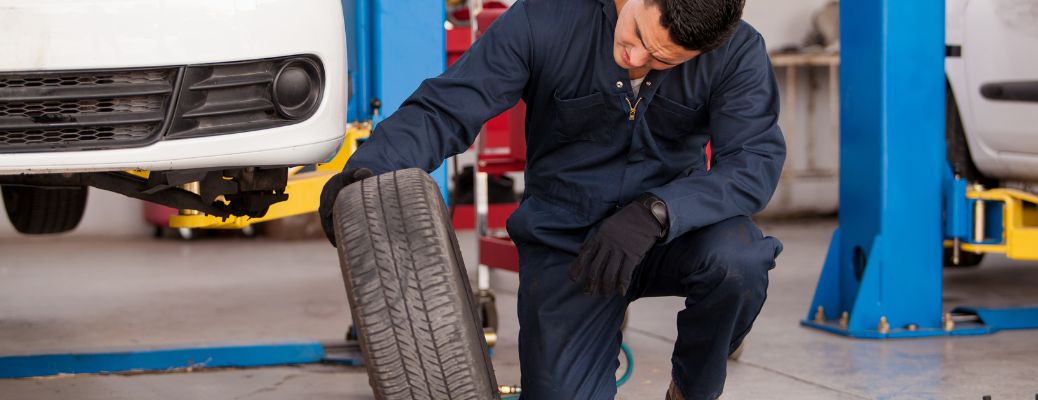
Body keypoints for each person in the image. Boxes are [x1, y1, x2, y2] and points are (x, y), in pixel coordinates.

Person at [319, 0, 784, 398]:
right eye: (638, 35)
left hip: (670, 234)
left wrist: (659, 212)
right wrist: (368, 171)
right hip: (569, 244)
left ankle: (690, 391)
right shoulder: (546, 17)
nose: (637, 58)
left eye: (663, 60)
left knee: (739, 259)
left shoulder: (737, 51)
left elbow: (752, 163)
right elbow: (449, 107)